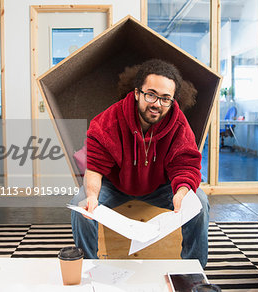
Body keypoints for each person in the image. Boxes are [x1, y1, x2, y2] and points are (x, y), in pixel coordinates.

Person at [70, 59, 210, 268]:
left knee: (199, 201)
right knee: (80, 203)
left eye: (165, 99)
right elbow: (95, 166)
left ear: (172, 101)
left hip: (160, 187)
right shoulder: (108, 121)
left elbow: (185, 164)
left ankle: (193, 271)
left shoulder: (179, 124)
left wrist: (182, 192)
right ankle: (91, 269)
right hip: (116, 186)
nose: (156, 104)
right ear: (137, 93)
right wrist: (91, 196)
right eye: (151, 94)